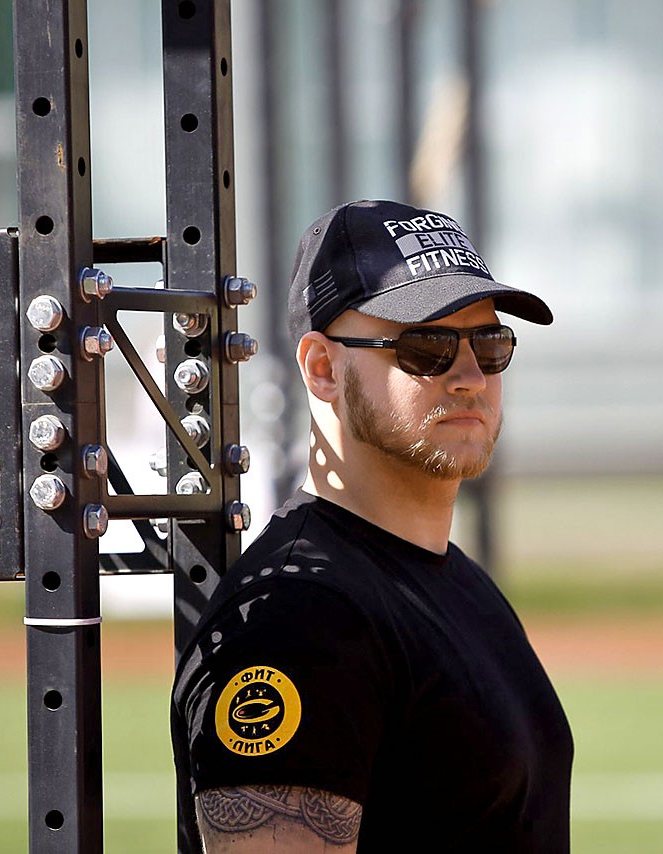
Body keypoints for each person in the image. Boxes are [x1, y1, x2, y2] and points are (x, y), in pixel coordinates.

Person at [172, 199, 573, 852]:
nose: (470, 376)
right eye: (426, 347)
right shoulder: (297, 619)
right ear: (322, 368)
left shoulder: (453, 581)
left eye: (490, 344)